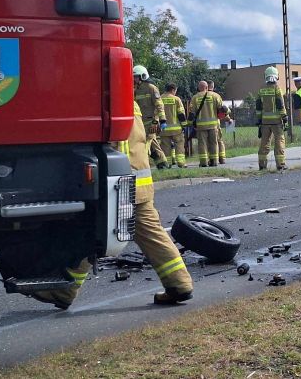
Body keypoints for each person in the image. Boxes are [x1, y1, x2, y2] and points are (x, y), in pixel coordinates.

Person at [30, 100, 193, 309]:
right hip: (136, 183)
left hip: (119, 185)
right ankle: (179, 284)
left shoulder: (111, 103)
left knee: (90, 234)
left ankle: (64, 291)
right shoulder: (130, 103)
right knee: (146, 235)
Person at [133, 65, 168, 168]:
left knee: (145, 145)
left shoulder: (151, 88)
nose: (134, 79)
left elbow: (159, 105)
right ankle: (163, 164)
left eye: (136, 76)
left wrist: (161, 121)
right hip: (141, 123)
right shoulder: (136, 90)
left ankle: (142, 166)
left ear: (142, 76)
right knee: (154, 145)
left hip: (151, 123)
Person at [256, 67, 287, 171]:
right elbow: (280, 105)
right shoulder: (277, 88)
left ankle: (262, 165)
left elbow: (258, 107)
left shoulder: (261, 89)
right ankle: (280, 164)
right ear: (276, 76)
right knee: (279, 142)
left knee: (264, 143)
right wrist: (285, 118)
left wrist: (259, 120)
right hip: (277, 122)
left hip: (265, 122)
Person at [189, 81, 222, 166]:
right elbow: (222, 109)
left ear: (199, 88)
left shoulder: (195, 97)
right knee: (214, 143)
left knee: (202, 144)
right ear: (207, 87)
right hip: (213, 125)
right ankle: (214, 161)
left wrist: (190, 123)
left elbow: (192, 113)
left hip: (201, 126)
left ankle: (203, 162)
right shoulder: (215, 96)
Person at [160, 83, 188, 167]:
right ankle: (181, 163)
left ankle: (168, 164)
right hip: (176, 129)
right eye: (175, 90)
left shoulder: (160, 99)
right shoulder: (176, 99)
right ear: (173, 90)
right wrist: (184, 125)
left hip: (164, 128)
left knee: (165, 147)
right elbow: (181, 114)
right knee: (179, 144)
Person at [208, 81, 227, 164]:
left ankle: (212, 159)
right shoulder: (216, 96)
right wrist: (228, 118)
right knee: (219, 141)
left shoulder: (199, 96)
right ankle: (222, 158)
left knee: (209, 143)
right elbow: (222, 110)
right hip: (216, 123)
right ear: (213, 86)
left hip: (203, 125)